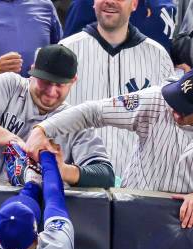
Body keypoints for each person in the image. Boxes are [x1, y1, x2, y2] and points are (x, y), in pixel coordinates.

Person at [26, 66, 193, 228]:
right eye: (175, 101)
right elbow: (93, 111)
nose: (175, 111)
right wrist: (43, 129)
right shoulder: (157, 99)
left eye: (184, 109)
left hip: (191, 223)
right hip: (134, 208)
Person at [0, 44, 114, 188]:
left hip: (31, 210)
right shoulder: (11, 85)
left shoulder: (75, 119)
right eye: (45, 81)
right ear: (32, 71)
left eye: (59, 84)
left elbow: (105, 175)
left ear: (73, 81)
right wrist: (17, 142)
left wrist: (63, 170)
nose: (51, 92)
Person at [59, 0, 174, 181]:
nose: (110, 1)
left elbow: (169, 126)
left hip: (137, 183)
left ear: (134, 4)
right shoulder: (66, 50)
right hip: (76, 180)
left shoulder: (158, 57)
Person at [63, 0, 177, 53]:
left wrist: (174, 60)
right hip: (100, 83)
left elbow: (166, 41)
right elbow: (70, 50)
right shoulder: (87, 3)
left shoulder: (167, 5)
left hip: (152, 84)